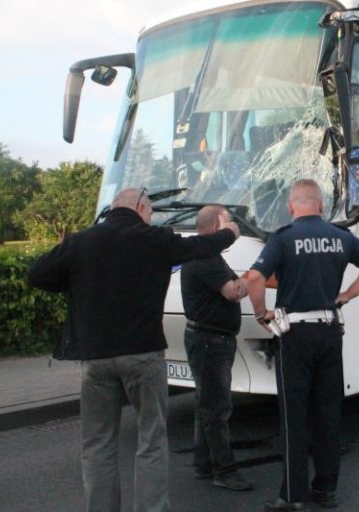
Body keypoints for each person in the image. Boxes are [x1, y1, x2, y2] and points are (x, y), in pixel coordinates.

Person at [26, 187, 240, 512]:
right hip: (143, 355)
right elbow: (199, 246)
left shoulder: (82, 241)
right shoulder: (153, 239)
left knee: (98, 444)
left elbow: (36, 274)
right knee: (151, 440)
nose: (151, 217)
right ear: (140, 207)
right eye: (151, 211)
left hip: (95, 360)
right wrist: (228, 233)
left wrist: (77, 282)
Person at [246, 179, 359, 511]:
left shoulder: (283, 238)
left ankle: (294, 496)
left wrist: (262, 313)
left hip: (295, 335)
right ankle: (326, 489)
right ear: (321, 205)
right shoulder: (340, 237)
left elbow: (254, 278)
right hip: (329, 332)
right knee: (327, 412)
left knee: (294, 415)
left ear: (291, 207)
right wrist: (347, 295)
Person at [180, 205, 253, 491]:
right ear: (215, 227)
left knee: (206, 404)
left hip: (208, 339)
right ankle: (225, 470)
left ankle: (203, 462)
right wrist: (253, 277)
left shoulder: (205, 255)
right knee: (217, 408)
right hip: (210, 341)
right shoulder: (204, 257)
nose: (233, 227)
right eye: (228, 222)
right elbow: (233, 292)